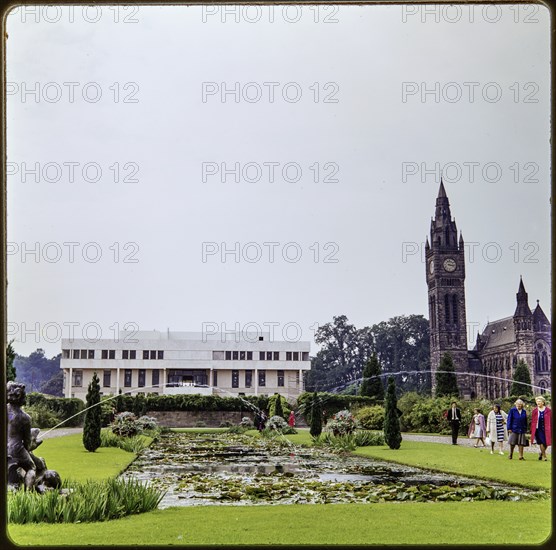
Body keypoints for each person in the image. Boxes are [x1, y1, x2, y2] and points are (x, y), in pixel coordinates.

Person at [530, 396, 552, 461]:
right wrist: (532, 429)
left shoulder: (548, 410)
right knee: (542, 442)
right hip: (538, 428)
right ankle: (545, 456)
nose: (538, 403)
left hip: (547, 428)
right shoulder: (534, 411)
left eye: (539, 401)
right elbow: (533, 421)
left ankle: (541, 453)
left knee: (547, 443)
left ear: (543, 402)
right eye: (537, 402)